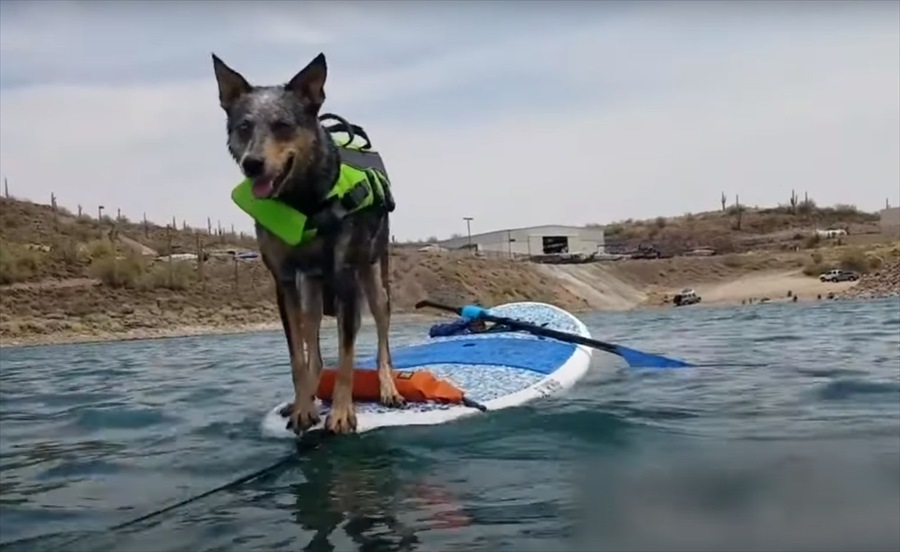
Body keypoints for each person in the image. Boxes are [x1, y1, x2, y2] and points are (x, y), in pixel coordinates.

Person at [428, 316, 509, 338]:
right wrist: (468, 318)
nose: (480, 326)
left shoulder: (484, 333)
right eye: (478, 324)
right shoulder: (456, 330)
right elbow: (450, 328)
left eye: (481, 324)